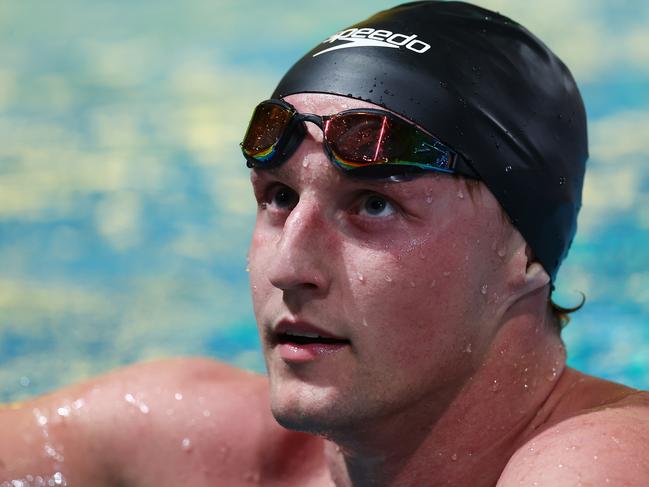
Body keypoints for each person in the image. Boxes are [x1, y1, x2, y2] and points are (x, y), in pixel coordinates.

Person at [1, 2, 648, 486]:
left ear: (524, 251)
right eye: (278, 198)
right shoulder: (184, 437)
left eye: (373, 204)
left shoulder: (604, 459)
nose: (288, 267)